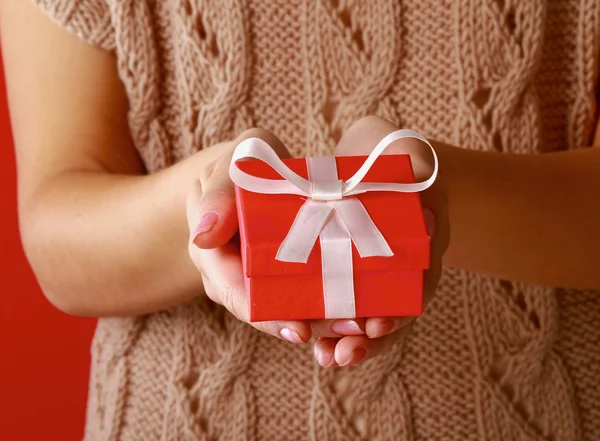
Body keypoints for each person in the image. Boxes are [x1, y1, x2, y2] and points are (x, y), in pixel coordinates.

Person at [1, 0, 599, 439]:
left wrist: (428, 192)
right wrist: (214, 204)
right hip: (179, 420)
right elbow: (59, 240)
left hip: (535, 414)